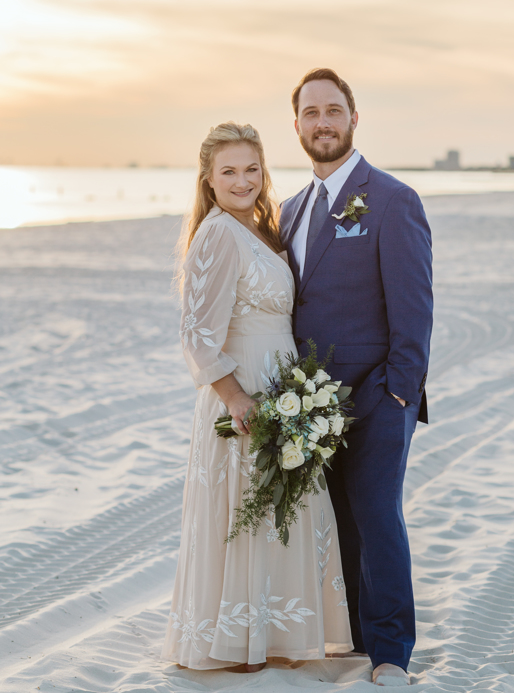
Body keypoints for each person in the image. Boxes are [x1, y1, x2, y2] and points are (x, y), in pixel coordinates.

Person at [162, 121, 352, 672]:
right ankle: (240, 643)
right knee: (249, 513)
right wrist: (236, 398)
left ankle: (266, 636)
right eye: (229, 171)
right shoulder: (219, 232)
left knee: (276, 512)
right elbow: (197, 332)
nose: (243, 180)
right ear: (209, 180)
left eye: (252, 169)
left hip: (281, 387)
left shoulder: (259, 229)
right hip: (243, 393)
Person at [280, 69, 433, 687]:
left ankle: (393, 653)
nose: (322, 122)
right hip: (310, 404)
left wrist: (399, 386)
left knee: (377, 514)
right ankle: (364, 640)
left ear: (353, 118)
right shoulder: (290, 210)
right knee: (340, 517)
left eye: (333, 111)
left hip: (377, 394)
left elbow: (414, 303)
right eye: (311, 113)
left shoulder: (392, 199)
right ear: (296, 125)